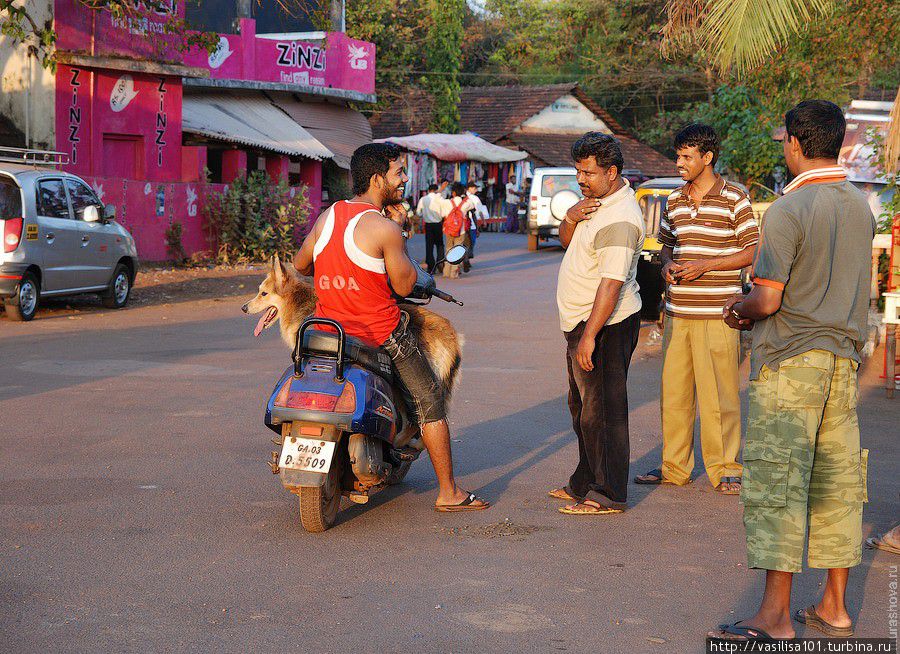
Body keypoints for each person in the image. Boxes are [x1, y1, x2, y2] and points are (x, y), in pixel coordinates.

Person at [710, 100, 874, 642]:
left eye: (785, 140)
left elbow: (767, 300)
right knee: (837, 481)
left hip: (791, 361)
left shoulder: (787, 210)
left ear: (796, 143)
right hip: (843, 361)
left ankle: (775, 615)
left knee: (779, 482)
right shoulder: (859, 207)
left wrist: (736, 309)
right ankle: (834, 606)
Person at [292, 143, 489, 512]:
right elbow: (404, 285)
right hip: (380, 334)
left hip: (326, 332)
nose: (404, 180)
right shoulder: (385, 229)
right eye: (399, 172)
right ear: (377, 179)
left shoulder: (327, 217)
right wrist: (399, 232)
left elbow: (301, 265)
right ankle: (449, 492)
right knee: (430, 401)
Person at [634, 124, 759, 495]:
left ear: (708, 157)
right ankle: (675, 467)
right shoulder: (674, 200)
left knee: (720, 396)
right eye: (678, 156)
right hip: (678, 312)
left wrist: (706, 265)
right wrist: (667, 265)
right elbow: (665, 246)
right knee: (674, 395)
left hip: (719, 313)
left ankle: (726, 468)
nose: (679, 163)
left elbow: (754, 250)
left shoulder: (735, 197)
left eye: (687, 156)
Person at [552, 132, 644, 515]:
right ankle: (584, 481)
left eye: (588, 172)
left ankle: (608, 493)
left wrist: (590, 336)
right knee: (582, 409)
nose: (581, 179)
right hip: (582, 323)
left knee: (603, 413)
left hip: (606, 325)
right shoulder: (595, 203)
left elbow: (611, 284)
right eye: (578, 171)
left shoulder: (621, 218)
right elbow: (565, 242)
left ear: (611, 172)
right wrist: (570, 216)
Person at [440, 183, 476, 279]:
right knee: (457, 251)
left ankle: (446, 272)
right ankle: (454, 273)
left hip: (449, 230)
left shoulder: (447, 202)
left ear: (453, 193)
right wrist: (466, 196)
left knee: (448, 249)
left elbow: (442, 212)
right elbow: (472, 205)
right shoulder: (465, 203)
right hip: (461, 230)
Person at [416, 183, 444, 272]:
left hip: (428, 225)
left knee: (429, 246)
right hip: (438, 224)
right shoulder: (440, 199)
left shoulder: (423, 199)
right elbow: (444, 212)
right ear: (436, 190)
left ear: (428, 190)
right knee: (440, 245)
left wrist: (425, 214)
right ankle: (440, 263)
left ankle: (431, 267)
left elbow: (418, 213)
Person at [464, 182, 487, 271]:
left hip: (462, 224)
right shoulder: (475, 198)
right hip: (471, 224)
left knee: (463, 243)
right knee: (471, 243)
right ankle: (466, 259)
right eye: (474, 188)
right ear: (469, 188)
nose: (476, 190)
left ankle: (465, 259)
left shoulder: (461, 197)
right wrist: (483, 221)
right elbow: (480, 211)